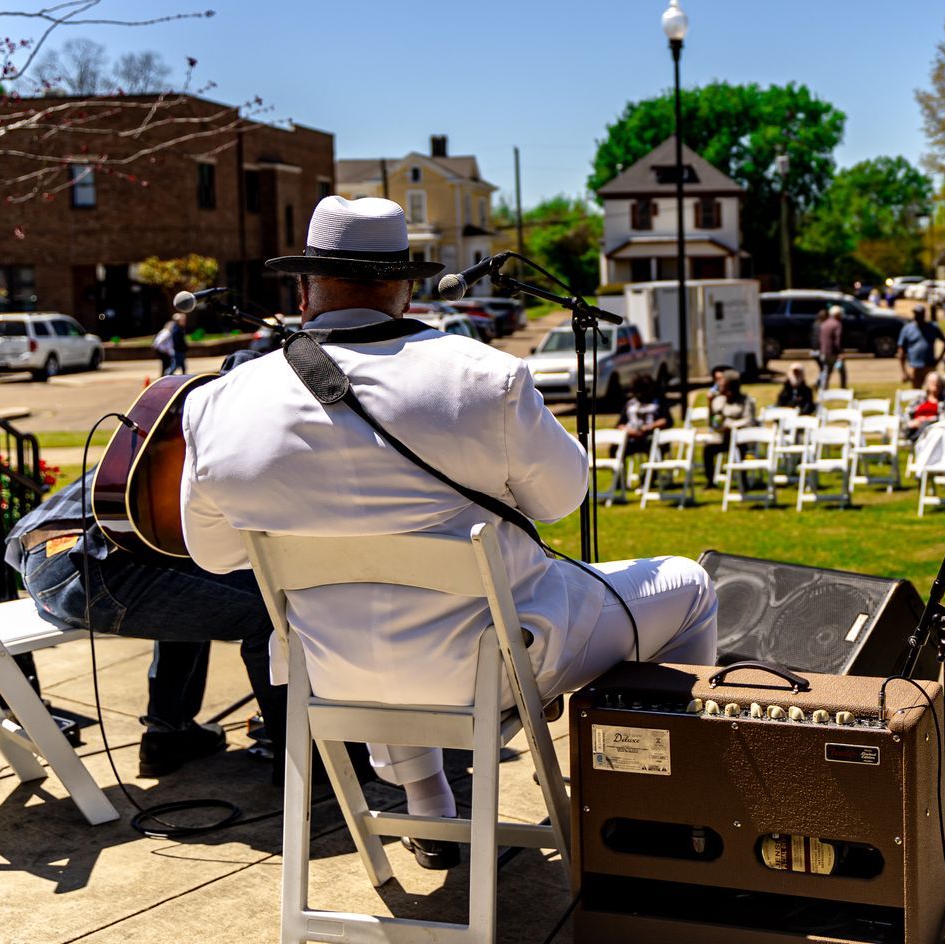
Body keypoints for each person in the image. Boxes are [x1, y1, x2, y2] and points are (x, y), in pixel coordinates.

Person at [179, 196, 717, 870]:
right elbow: (562, 498)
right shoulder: (481, 376)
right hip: (496, 668)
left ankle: (430, 809)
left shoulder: (216, 403)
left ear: (304, 287)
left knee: (379, 629)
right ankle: (670, 809)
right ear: (404, 282)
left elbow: (214, 551)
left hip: (335, 677)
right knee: (689, 585)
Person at [11, 467, 283, 778]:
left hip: (40, 557)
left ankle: (168, 734)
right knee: (269, 611)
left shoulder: (166, 430)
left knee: (200, 582)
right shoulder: (216, 443)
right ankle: (302, 757)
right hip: (84, 565)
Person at [702, 370, 757, 483]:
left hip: (741, 439)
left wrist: (731, 426)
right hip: (723, 438)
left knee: (741, 449)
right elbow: (713, 423)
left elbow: (749, 421)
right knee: (707, 449)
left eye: (723, 386)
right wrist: (709, 406)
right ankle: (710, 481)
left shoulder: (745, 401)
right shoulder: (719, 401)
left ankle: (743, 481)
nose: (720, 388)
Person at [619, 374, 671, 465]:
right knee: (615, 447)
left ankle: (650, 476)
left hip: (651, 437)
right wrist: (630, 431)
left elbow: (667, 421)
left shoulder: (659, 402)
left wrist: (648, 428)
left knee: (653, 445)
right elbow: (619, 425)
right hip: (632, 437)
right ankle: (620, 476)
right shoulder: (630, 403)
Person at [897, 305, 945, 389]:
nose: (917, 316)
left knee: (933, 389)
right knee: (916, 393)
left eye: (919, 314)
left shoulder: (932, 328)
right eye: (916, 314)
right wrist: (904, 371)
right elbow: (901, 350)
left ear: (923, 315)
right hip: (915, 367)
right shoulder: (907, 329)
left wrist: (939, 359)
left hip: (929, 366)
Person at [816, 304, 846, 391]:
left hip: (824, 352)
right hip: (834, 353)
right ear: (837, 315)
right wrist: (840, 352)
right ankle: (843, 389)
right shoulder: (837, 324)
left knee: (827, 371)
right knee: (842, 372)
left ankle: (824, 389)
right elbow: (838, 340)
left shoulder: (824, 324)